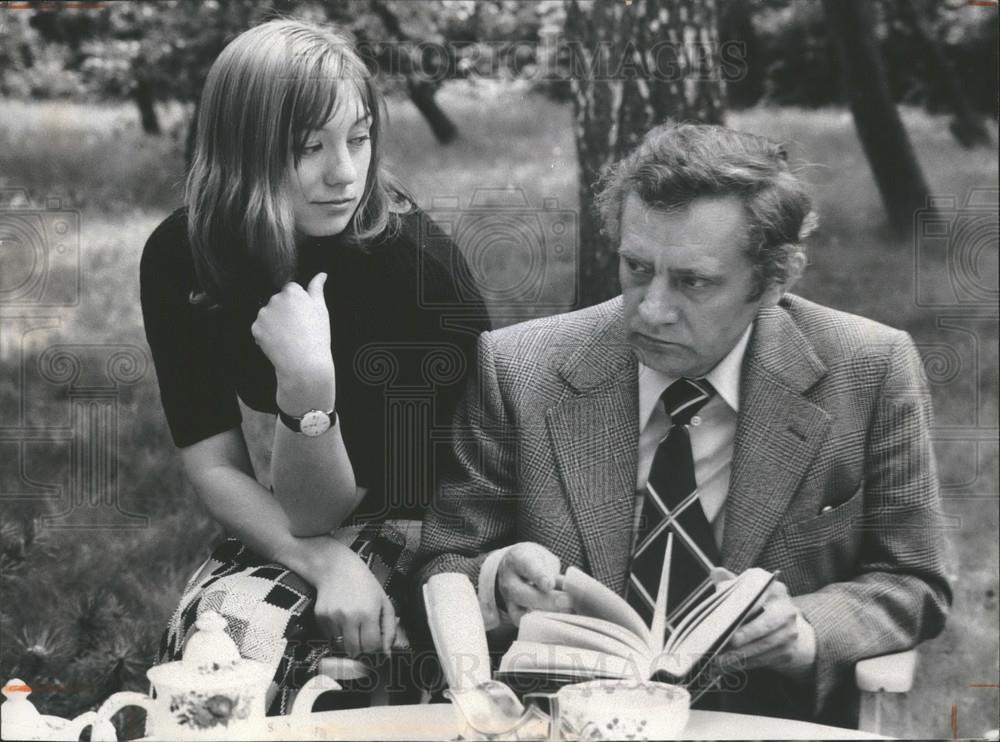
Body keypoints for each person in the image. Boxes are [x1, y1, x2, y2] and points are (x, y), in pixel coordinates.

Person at [416, 122, 951, 725]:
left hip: (765, 722)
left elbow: (913, 579)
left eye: (693, 281)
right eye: (637, 268)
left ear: (773, 282)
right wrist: (494, 579)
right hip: (570, 725)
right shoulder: (520, 370)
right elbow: (445, 560)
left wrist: (805, 632)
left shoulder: (869, 369)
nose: (653, 308)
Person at [140, 19, 489, 714]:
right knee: (215, 644)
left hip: (444, 515)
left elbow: (325, 505)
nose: (344, 173)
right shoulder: (184, 255)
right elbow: (214, 465)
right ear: (242, 151)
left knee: (281, 648)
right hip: (320, 510)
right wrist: (324, 561)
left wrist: (306, 385)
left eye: (358, 139)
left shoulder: (406, 270)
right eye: (310, 147)